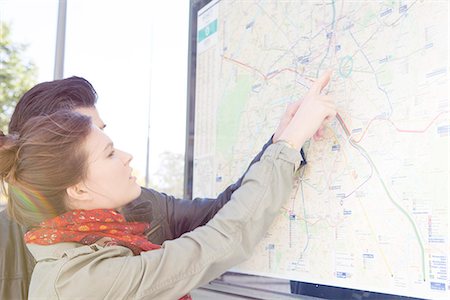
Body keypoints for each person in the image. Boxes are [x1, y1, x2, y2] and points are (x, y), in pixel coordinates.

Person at [0, 71, 335, 299]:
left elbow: (220, 215)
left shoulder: (94, 236)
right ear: (75, 186)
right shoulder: (83, 276)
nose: (127, 156)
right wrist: (287, 145)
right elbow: (220, 241)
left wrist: (280, 142)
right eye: (107, 151)